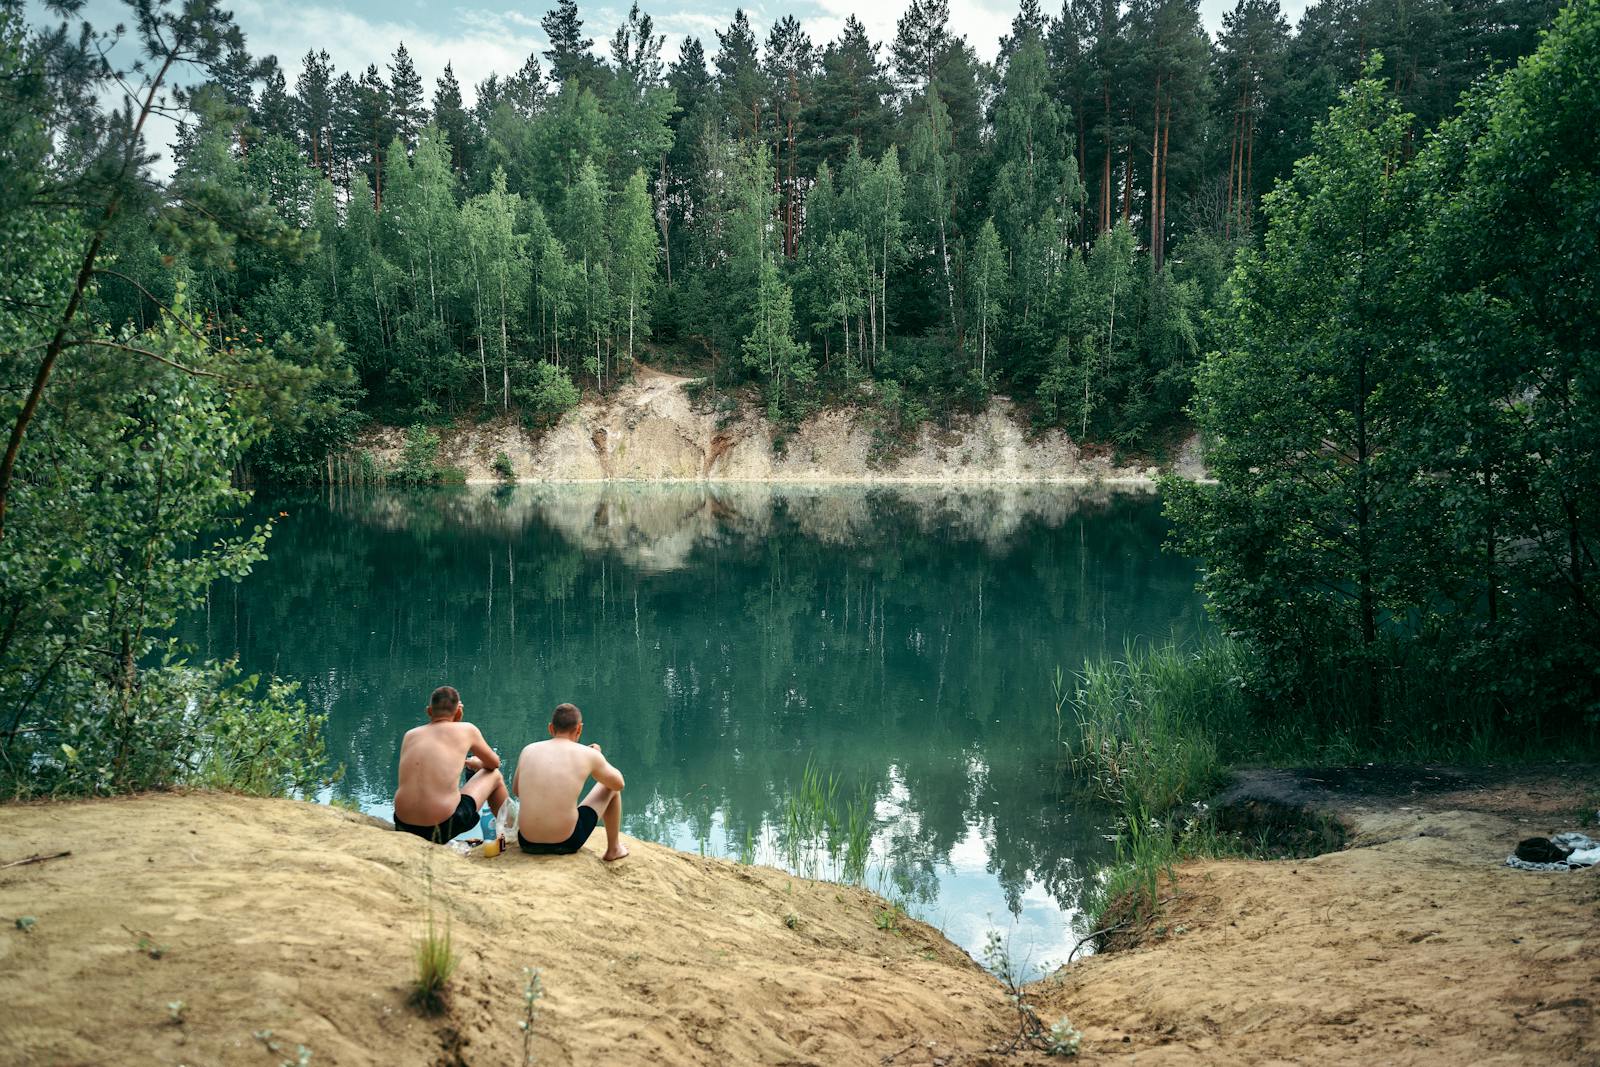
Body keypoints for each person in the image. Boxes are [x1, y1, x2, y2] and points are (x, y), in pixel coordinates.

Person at [392, 685, 509, 844]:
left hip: (403, 825)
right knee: (494, 775)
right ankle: (510, 833)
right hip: (442, 827)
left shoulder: (410, 735)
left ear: (429, 711)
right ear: (459, 711)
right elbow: (494, 763)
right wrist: (477, 763)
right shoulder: (467, 730)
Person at [513, 702, 628, 861]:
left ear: (551, 728)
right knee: (610, 786)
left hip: (527, 842)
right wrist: (599, 759)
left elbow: (517, 790)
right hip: (566, 842)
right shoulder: (588, 754)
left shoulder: (528, 750)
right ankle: (614, 849)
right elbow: (619, 783)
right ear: (579, 728)